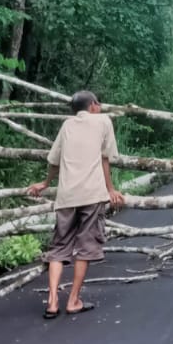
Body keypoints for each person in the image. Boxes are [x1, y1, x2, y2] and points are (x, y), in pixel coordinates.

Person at [26, 91, 124, 319]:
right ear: (93, 105)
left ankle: (52, 301)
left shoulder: (67, 125)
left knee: (59, 247)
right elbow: (105, 158)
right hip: (91, 194)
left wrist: (45, 183)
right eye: (98, 103)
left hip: (66, 196)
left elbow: (54, 160)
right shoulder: (103, 121)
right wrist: (111, 189)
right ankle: (73, 300)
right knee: (86, 246)